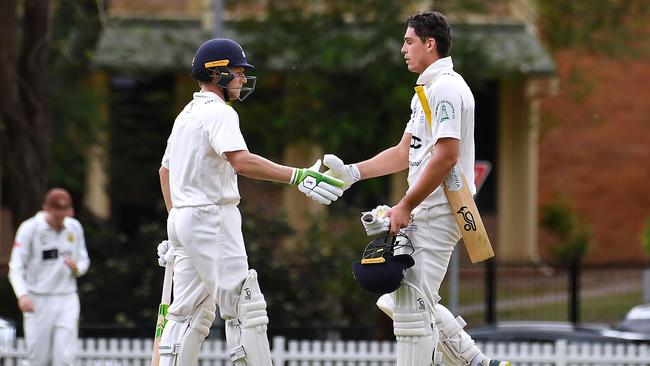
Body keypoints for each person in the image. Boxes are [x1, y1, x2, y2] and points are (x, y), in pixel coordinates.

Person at [323, 11, 510, 366]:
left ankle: (476, 363)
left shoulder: (447, 89)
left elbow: (446, 157)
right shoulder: (427, 90)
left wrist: (406, 204)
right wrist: (351, 173)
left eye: (409, 41)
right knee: (399, 300)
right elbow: (403, 152)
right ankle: (477, 362)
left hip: (441, 209)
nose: (403, 49)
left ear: (430, 43)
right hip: (426, 209)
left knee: (412, 308)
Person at [156, 38, 343, 366]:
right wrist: (297, 176)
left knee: (187, 314)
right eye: (239, 72)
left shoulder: (186, 115)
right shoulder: (219, 114)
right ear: (219, 74)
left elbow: (164, 172)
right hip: (213, 216)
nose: (243, 79)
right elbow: (241, 162)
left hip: (183, 219)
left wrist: (176, 225)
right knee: (245, 306)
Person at [8, 188, 90, 366]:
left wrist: (77, 269)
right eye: (57, 212)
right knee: (38, 358)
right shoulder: (30, 229)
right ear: (46, 208)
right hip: (38, 299)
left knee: (65, 357)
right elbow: (15, 267)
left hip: (67, 298)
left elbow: (84, 261)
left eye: (65, 211)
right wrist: (22, 295)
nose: (62, 217)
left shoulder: (74, 227)